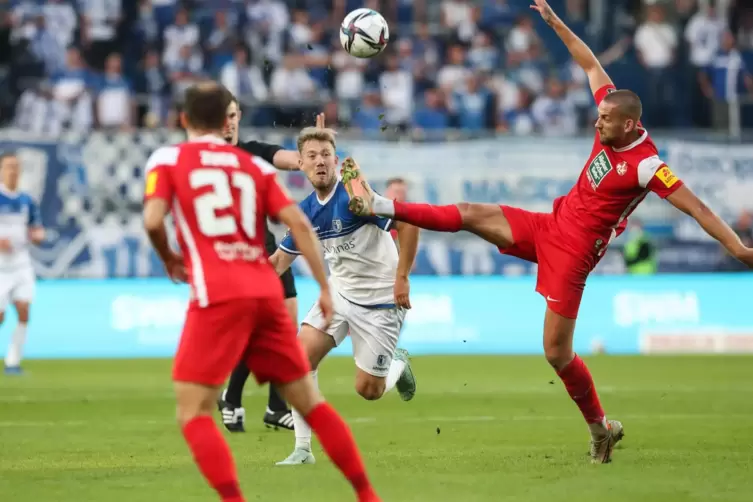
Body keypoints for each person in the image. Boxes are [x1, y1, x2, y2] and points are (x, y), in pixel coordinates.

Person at [341, 0, 753, 464]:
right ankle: (380, 205)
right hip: (550, 225)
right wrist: (557, 24)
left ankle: (600, 429)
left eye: (605, 122)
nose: (597, 124)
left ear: (630, 125)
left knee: (556, 354)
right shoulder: (612, 115)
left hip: (573, 257)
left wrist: (736, 246)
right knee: (472, 212)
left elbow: (696, 206)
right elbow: (590, 64)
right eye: (600, 117)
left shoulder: (647, 166)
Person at [142, 82, 381, 502]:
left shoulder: (168, 159)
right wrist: (324, 288)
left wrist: (168, 258)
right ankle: (367, 494)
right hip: (265, 290)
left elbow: (152, 219)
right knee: (310, 403)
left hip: (216, 291)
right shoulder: (251, 166)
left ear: (183, 120)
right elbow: (300, 224)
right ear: (224, 122)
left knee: (193, 411)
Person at [272, 127, 419, 466]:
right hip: (340, 293)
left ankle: (398, 365)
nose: (320, 161)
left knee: (369, 391)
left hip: (382, 300)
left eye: (326, 155)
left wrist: (402, 278)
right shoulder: (305, 212)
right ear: (302, 166)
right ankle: (303, 450)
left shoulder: (356, 195)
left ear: (336, 162)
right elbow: (279, 261)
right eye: (312, 156)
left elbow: (410, 223)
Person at [216, 90, 317, 432]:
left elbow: (284, 157)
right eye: (221, 116)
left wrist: (310, 155)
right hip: (233, 258)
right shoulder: (204, 160)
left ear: (239, 115)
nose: (227, 123)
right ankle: (231, 394)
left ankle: (275, 406)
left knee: (286, 331)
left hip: (269, 252)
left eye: (232, 115)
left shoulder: (252, 152)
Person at [0, 153, 45, 375]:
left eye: (16, 166)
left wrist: (37, 236)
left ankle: (13, 362)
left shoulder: (27, 201)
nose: (13, 170)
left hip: (21, 264)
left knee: (24, 310)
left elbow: (38, 229)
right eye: (8, 166)